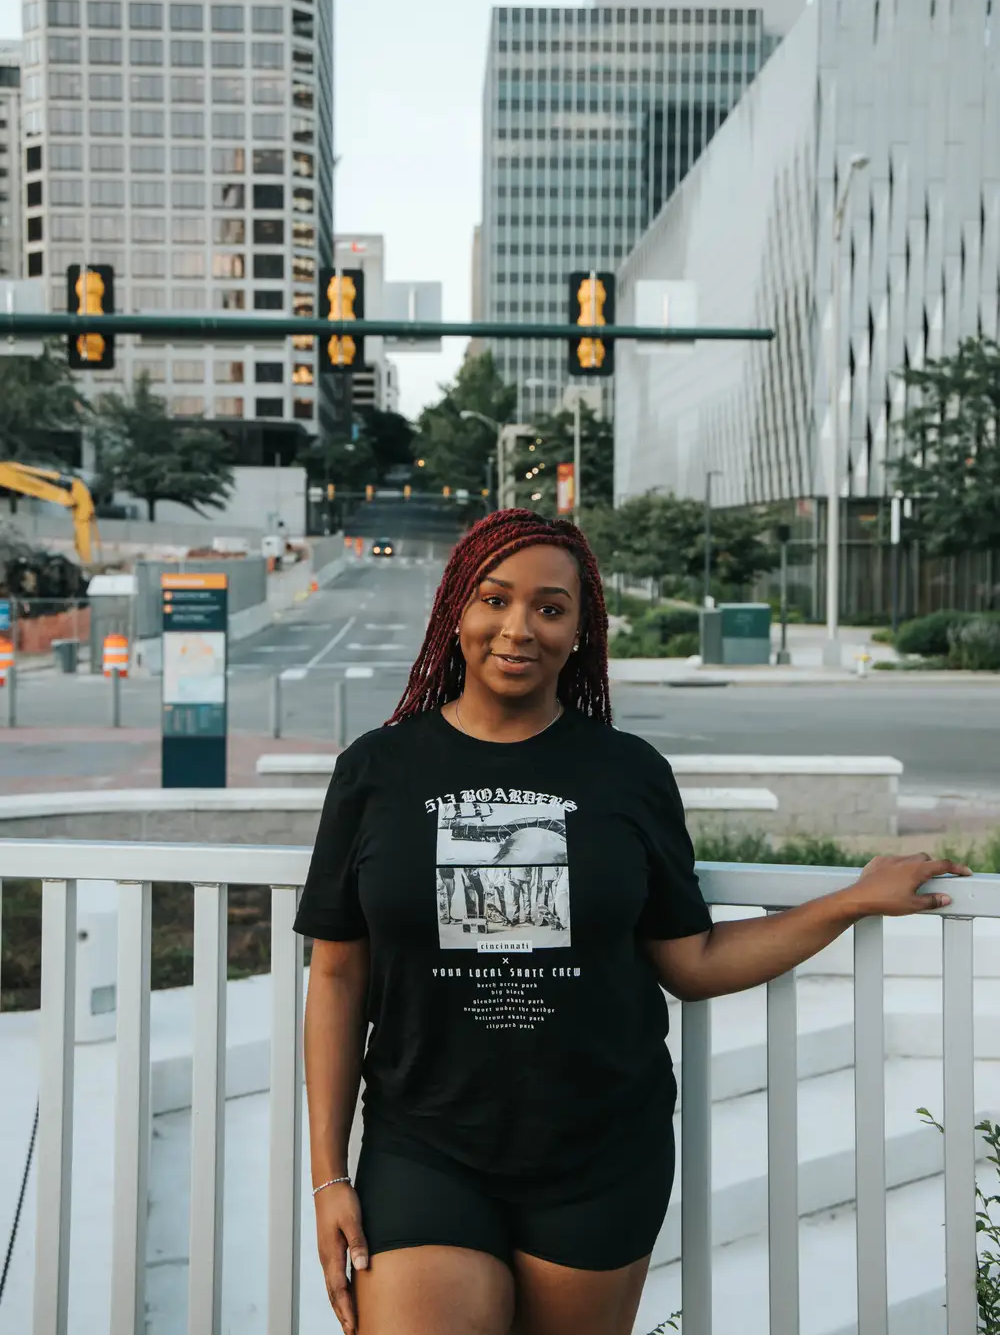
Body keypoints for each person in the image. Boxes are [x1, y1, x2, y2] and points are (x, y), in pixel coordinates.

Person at [293, 508, 970, 1335]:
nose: (518, 629)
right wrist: (330, 1175)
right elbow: (336, 975)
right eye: (494, 600)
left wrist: (851, 900)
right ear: (455, 612)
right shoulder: (376, 769)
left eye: (550, 608)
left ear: (581, 630)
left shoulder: (628, 773)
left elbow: (691, 960)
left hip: (600, 1153)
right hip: (426, 1145)